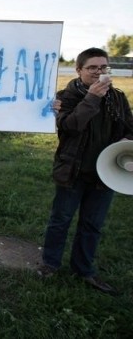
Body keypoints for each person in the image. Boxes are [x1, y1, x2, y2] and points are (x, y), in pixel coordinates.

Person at [38, 48, 133, 294]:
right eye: (93, 68)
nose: (99, 72)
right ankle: (50, 264)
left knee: (92, 224)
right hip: (74, 171)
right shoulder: (66, 97)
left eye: (103, 68)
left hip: (105, 173)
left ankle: (83, 269)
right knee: (61, 220)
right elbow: (70, 127)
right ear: (79, 70)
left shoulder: (117, 97)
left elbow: (129, 126)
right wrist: (91, 99)